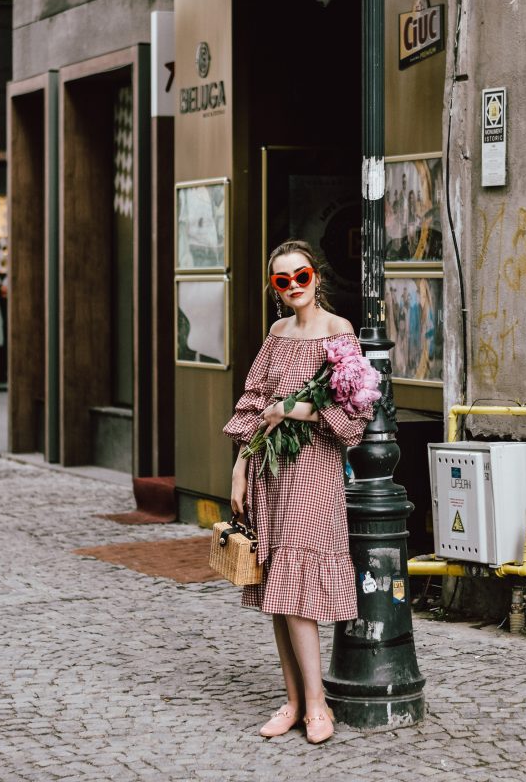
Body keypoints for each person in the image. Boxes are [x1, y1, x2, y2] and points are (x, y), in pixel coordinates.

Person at [224, 239, 375, 745]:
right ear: (275, 288)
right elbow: (253, 403)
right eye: (281, 281)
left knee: (298, 589)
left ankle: (316, 707)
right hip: (271, 472)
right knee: (277, 590)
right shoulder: (276, 333)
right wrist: (240, 470)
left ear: (317, 277)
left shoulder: (340, 333)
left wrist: (291, 408)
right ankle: (292, 702)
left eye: (300, 276)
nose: (293, 288)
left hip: (313, 472)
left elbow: (355, 410)